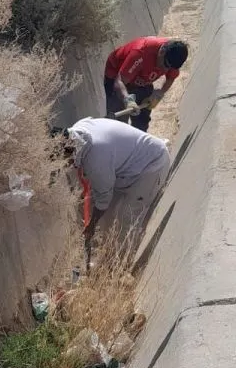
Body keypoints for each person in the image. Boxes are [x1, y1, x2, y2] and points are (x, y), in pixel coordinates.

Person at [64, 116, 171, 246]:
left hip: (152, 164)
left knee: (128, 217)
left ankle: (125, 260)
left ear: (71, 151)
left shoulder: (96, 160)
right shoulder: (79, 127)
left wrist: (91, 226)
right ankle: (111, 247)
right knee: (110, 214)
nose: (64, 164)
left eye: (64, 160)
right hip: (134, 159)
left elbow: (103, 200)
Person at [104, 36, 188, 131]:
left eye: (169, 68)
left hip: (142, 81)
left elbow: (171, 78)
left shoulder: (171, 58)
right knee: (118, 125)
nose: (165, 70)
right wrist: (128, 100)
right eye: (165, 65)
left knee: (142, 119)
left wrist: (159, 93)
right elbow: (119, 81)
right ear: (161, 52)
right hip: (118, 78)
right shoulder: (141, 52)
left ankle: (138, 141)